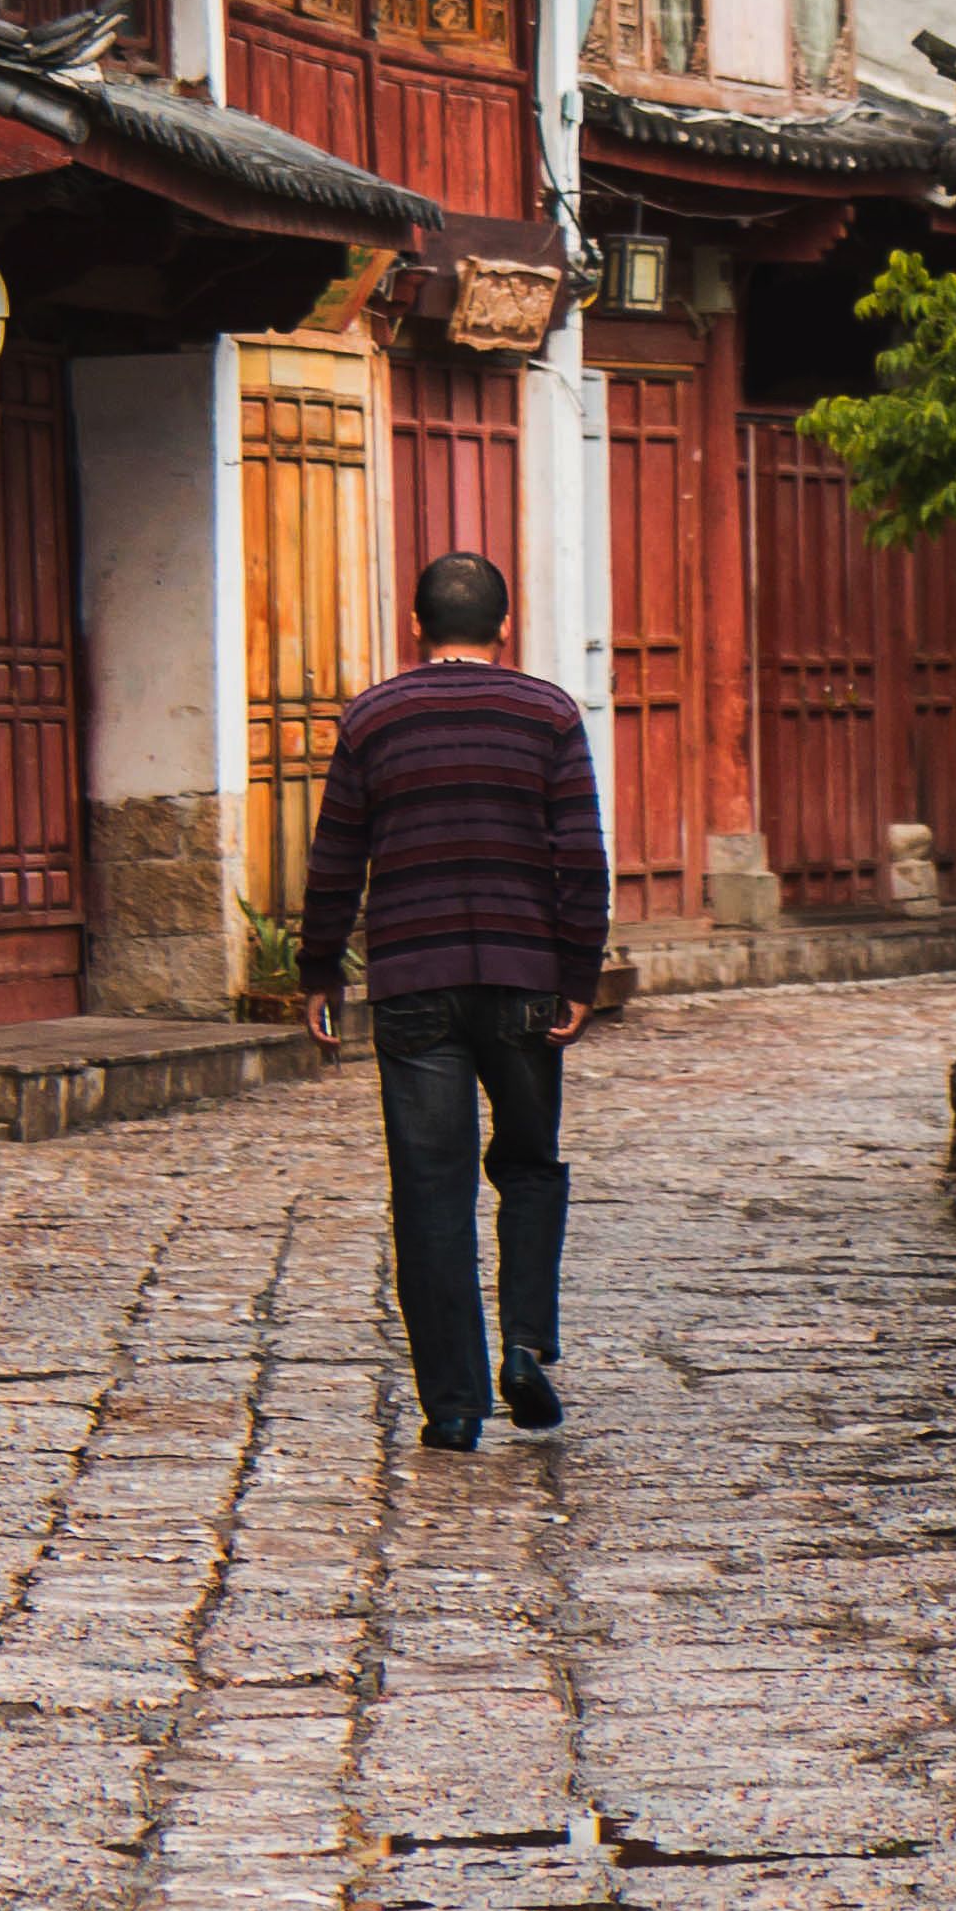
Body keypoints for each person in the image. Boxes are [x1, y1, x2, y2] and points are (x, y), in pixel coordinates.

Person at [297, 548, 610, 1451]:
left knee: (430, 1191)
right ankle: (525, 1346)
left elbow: (335, 857)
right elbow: (580, 856)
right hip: (523, 983)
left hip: (413, 985)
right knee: (529, 1164)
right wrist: (577, 975)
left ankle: (455, 1406)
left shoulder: (373, 718)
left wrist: (321, 969)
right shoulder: (550, 713)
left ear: (416, 626)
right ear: (504, 628)